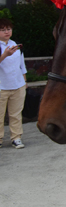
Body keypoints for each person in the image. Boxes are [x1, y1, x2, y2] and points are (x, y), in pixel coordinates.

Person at [0, 19, 27, 149]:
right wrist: (4, 55)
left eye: (9, 29)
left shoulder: (15, 45)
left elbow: (22, 65)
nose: (7, 32)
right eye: (3, 30)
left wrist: (24, 81)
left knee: (15, 114)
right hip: (1, 86)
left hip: (18, 85)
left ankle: (16, 138)